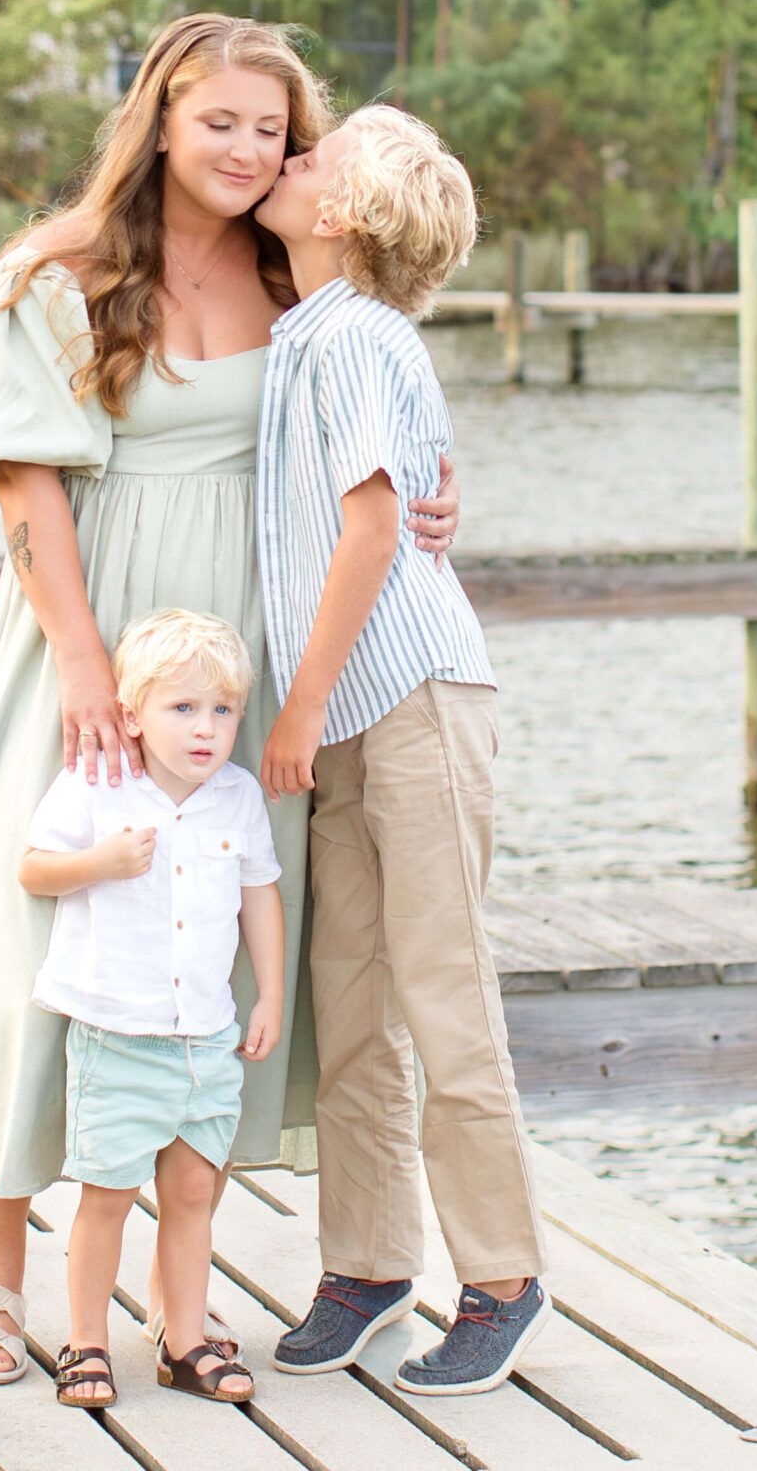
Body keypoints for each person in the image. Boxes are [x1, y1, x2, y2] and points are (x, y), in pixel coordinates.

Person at [0, 14, 461, 1387]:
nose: (245, 149)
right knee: (50, 927)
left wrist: (438, 489)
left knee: (203, 936)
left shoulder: (303, 279)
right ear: (159, 117)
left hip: (247, 650)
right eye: (220, 122)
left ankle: (173, 1291)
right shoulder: (65, 272)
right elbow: (26, 481)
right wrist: (82, 656)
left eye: (272, 130)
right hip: (94, 635)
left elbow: (380, 435)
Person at [254, 105, 549, 1398]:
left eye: (309, 158)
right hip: (357, 703)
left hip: (411, 694)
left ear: (341, 218)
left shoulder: (356, 338)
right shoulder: (308, 331)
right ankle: (368, 1263)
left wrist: (298, 708)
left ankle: (500, 1277)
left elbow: (373, 534)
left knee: (442, 993)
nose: (286, 158)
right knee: (350, 997)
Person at [20, 609, 283, 1409]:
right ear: (133, 716)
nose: (205, 729)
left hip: (205, 1037)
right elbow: (34, 868)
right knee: (105, 1192)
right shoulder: (96, 783)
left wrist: (269, 992)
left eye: (222, 711)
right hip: (117, 1033)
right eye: (182, 709)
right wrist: (99, 862)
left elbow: (259, 896)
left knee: (195, 1191)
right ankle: (86, 1342)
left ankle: (185, 1342)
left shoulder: (236, 797)